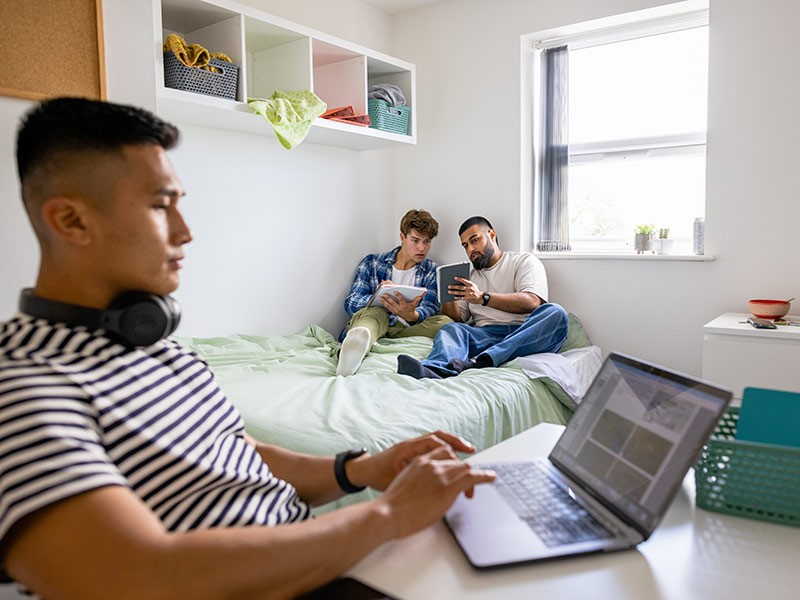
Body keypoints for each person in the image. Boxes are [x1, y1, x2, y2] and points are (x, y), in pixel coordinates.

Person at [0, 97, 495, 599]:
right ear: (70, 221)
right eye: (158, 205)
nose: (185, 231)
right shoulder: (22, 389)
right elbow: (140, 577)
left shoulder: (164, 354)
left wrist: (361, 468)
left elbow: (239, 454)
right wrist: (388, 514)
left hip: (309, 563)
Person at [397, 216, 568, 379]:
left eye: (474, 240)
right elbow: (458, 320)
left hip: (524, 331)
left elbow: (532, 301)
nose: (470, 249)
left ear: (492, 235)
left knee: (556, 313)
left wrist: (483, 298)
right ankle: (434, 369)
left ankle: (483, 361)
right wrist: (448, 296)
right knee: (451, 329)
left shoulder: (523, 261)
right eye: (465, 245)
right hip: (486, 335)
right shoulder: (468, 276)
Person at [337, 209, 451, 376]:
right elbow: (351, 302)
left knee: (445, 322)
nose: (421, 248)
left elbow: (430, 307)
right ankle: (357, 344)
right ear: (402, 237)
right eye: (415, 240)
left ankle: (370, 341)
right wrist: (379, 299)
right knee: (376, 313)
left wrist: (412, 315)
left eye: (427, 242)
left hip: (405, 330)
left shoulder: (431, 270)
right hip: (376, 321)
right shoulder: (373, 263)